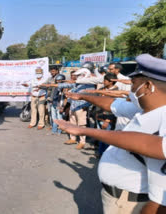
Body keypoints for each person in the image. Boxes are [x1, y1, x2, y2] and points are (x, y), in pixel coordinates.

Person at [55, 54, 166, 214]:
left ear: (148, 86)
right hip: (117, 198)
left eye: (134, 84)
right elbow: (114, 104)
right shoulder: (144, 109)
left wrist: (83, 130)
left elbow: (161, 198)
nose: (131, 90)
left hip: (131, 203)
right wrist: (82, 96)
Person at [41, 68, 95, 149]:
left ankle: (82, 142)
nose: (76, 77)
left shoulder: (89, 85)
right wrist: (50, 85)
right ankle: (73, 138)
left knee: (81, 125)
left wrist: (87, 106)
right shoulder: (77, 83)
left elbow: (92, 97)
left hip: (81, 107)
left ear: (84, 75)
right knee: (72, 123)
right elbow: (65, 85)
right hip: (73, 106)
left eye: (78, 75)